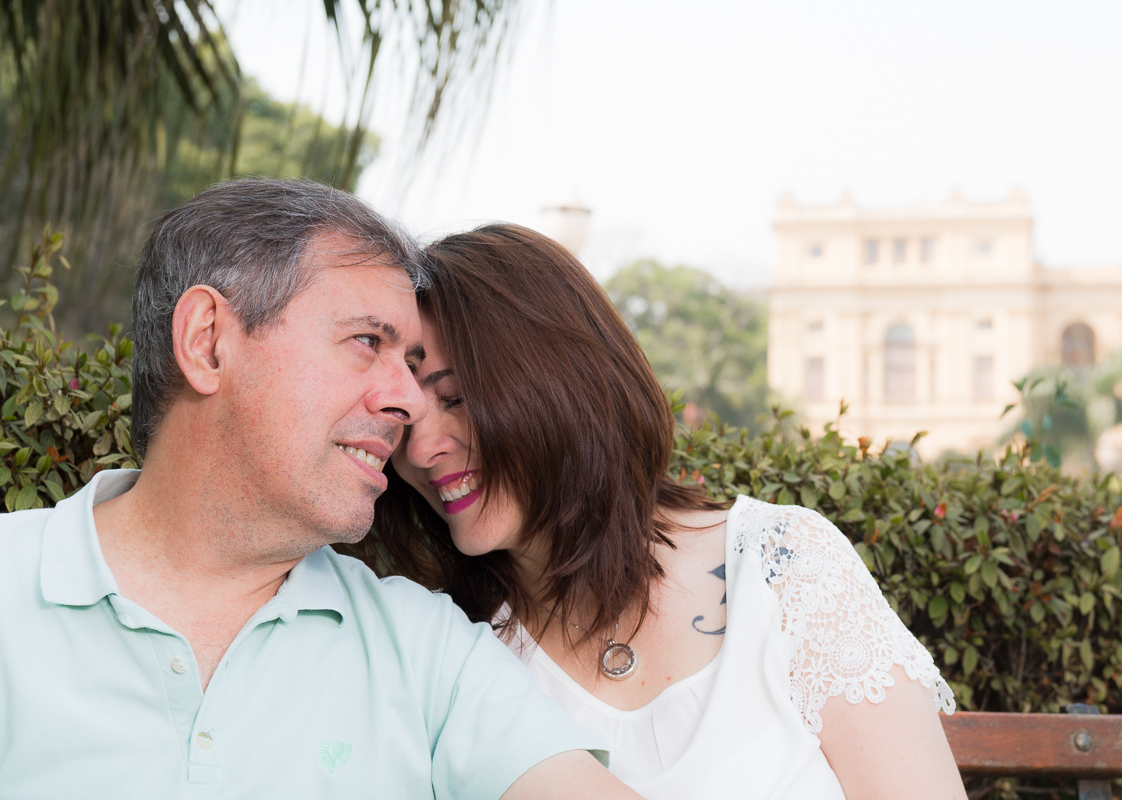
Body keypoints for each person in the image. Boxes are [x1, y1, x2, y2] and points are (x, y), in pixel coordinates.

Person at [0, 180, 640, 800]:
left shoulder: (426, 649)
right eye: (368, 342)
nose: (410, 404)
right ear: (208, 341)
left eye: (412, 363)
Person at [367, 223, 969, 800]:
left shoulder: (782, 567)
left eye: (455, 399)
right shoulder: (455, 648)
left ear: (560, 383)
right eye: (403, 418)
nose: (421, 450)